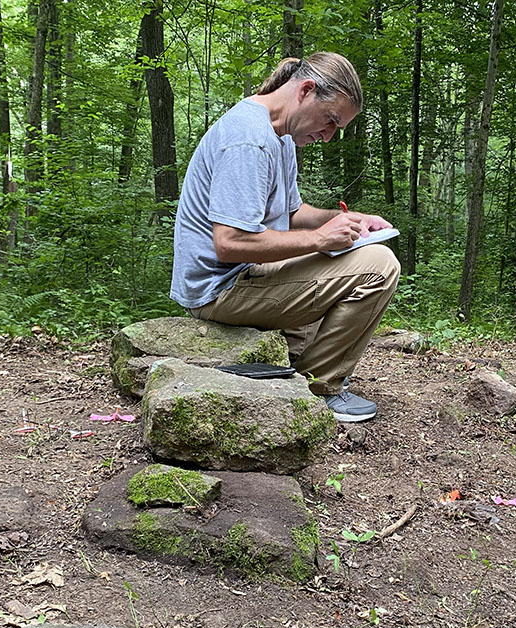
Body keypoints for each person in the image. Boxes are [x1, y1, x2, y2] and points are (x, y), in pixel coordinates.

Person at [170, 52, 401, 423]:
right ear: (306, 91)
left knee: (349, 253)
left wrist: (348, 219)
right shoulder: (249, 139)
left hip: (245, 275)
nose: (327, 137)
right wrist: (319, 240)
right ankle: (319, 388)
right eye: (330, 121)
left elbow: (292, 214)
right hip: (219, 289)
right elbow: (229, 243)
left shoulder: (280, 136)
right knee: (380, 267)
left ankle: (290, 364)